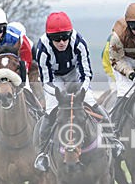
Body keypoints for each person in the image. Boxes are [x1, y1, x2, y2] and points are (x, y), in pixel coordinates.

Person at [32, 11, 123, 172]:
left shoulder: (80, 42)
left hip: (76, 75)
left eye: (65, 37)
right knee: (50, 112)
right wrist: (60, 95)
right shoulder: (42, 48)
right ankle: (43, 154)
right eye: (56, 39)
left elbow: (86, 73)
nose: (61, 42)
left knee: (94, 105)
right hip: (55, 80)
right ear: (49, 38)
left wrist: (81, 92)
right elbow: (46, 79)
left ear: (70, 34)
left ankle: (113, 139)